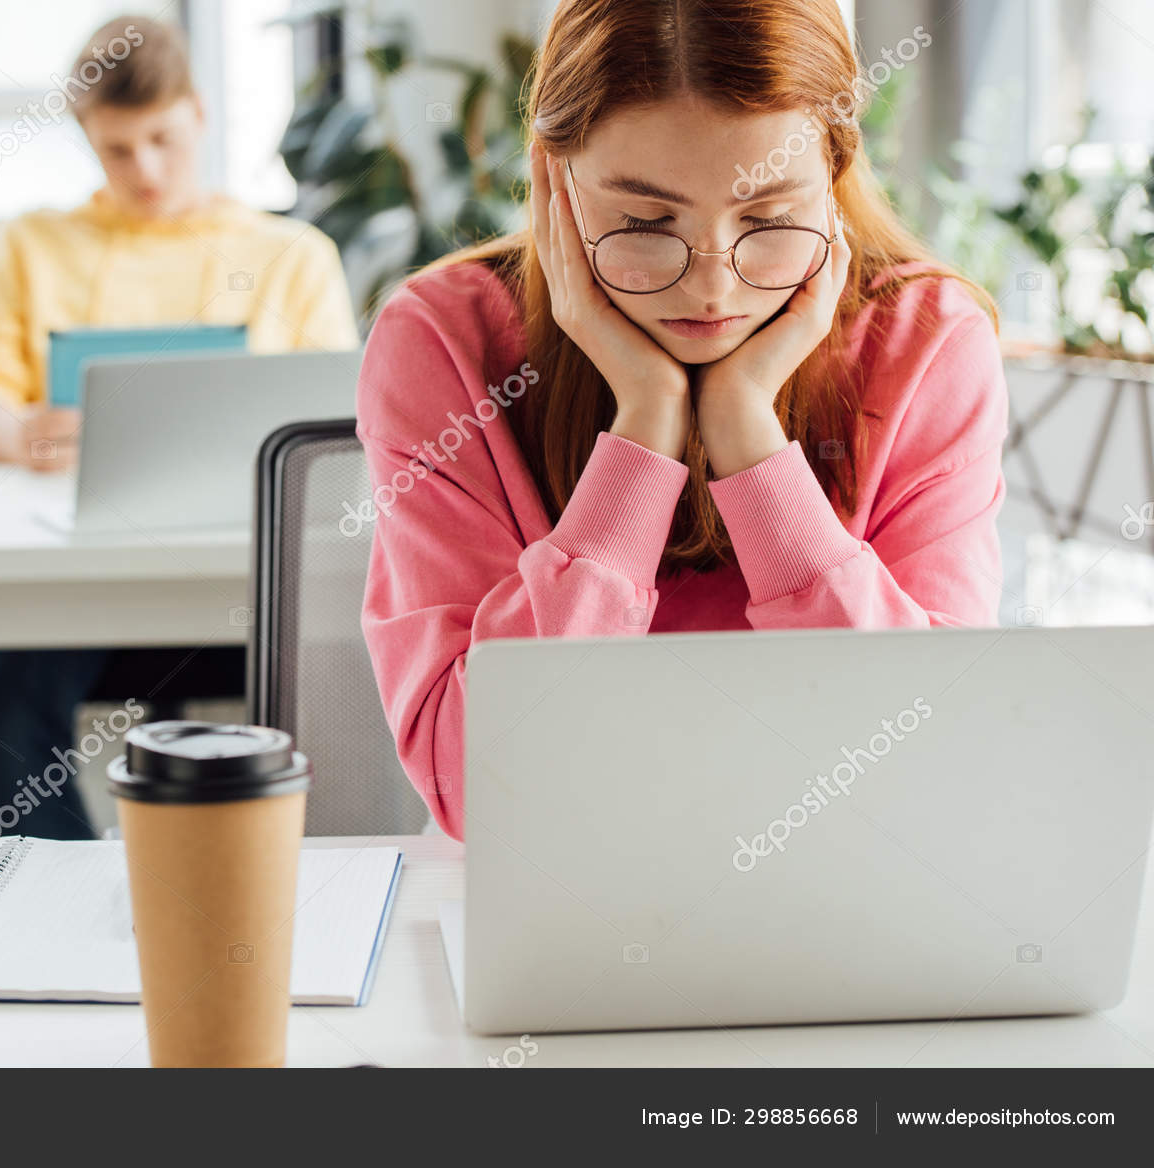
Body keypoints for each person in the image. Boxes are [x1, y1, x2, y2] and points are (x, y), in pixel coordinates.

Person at [356, 0, 1008, 842]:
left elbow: (929, 766)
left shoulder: (925, 343)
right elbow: (480, 788)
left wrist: (747, 436)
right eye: (642, 222)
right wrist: (643, 432)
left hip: (848, 893)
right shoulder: (445, 342)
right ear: (556, 181)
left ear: (836, 180)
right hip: (559, 901)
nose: (712, 289)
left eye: (770, 221)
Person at [0, 14, 358, 839]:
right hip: (74, 565)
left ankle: (295, 885)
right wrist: (19, 432)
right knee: (3, 697)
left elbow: (339, 432)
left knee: (347, 666)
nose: (146, 170)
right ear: (87, 142)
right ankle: (60, 909)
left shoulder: (292, 254)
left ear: (199, 115)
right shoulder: (27, 246)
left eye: (163, 140)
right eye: (117, 150)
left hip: (248, 562)